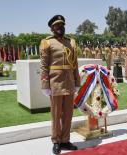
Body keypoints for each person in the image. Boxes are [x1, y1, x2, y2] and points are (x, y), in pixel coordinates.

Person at [40, 15, 80, 154]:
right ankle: (56, 141)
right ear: (52, 28)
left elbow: (75, 64)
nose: (60, 28)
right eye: (57, 26)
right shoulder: (47, 42)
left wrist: (77, 81)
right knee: (56, 114)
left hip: (69, 81)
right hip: (55, 82)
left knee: (68, 114)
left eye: (62, 25)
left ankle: (65, 140)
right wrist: (45, 84)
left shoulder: (71, 42)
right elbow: (44, 65)